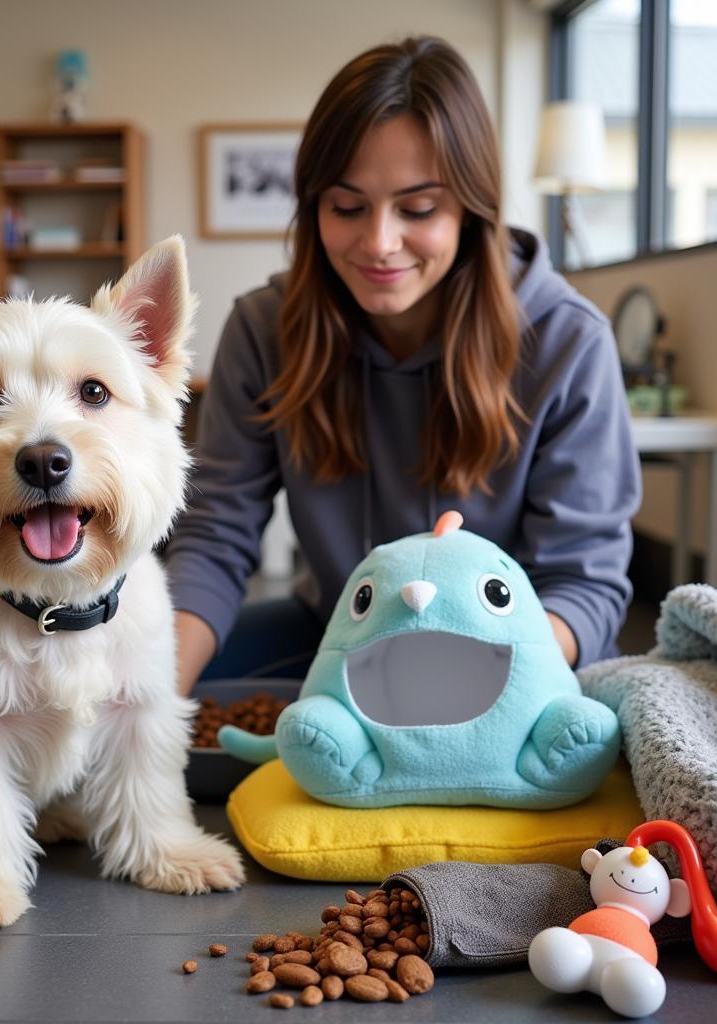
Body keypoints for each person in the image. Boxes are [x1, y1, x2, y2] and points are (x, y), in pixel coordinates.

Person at [164, 35, 641, 697]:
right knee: (139, 675)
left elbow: (581, 583)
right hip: (342, 629)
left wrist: (447, 693)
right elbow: (214, 535)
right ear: (312, 207)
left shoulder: (568, 340)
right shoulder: (263, 329)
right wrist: (149, 708)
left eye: (418, 209)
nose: (379, 243)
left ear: (473, 211)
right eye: (347, 206)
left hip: (522, 656)